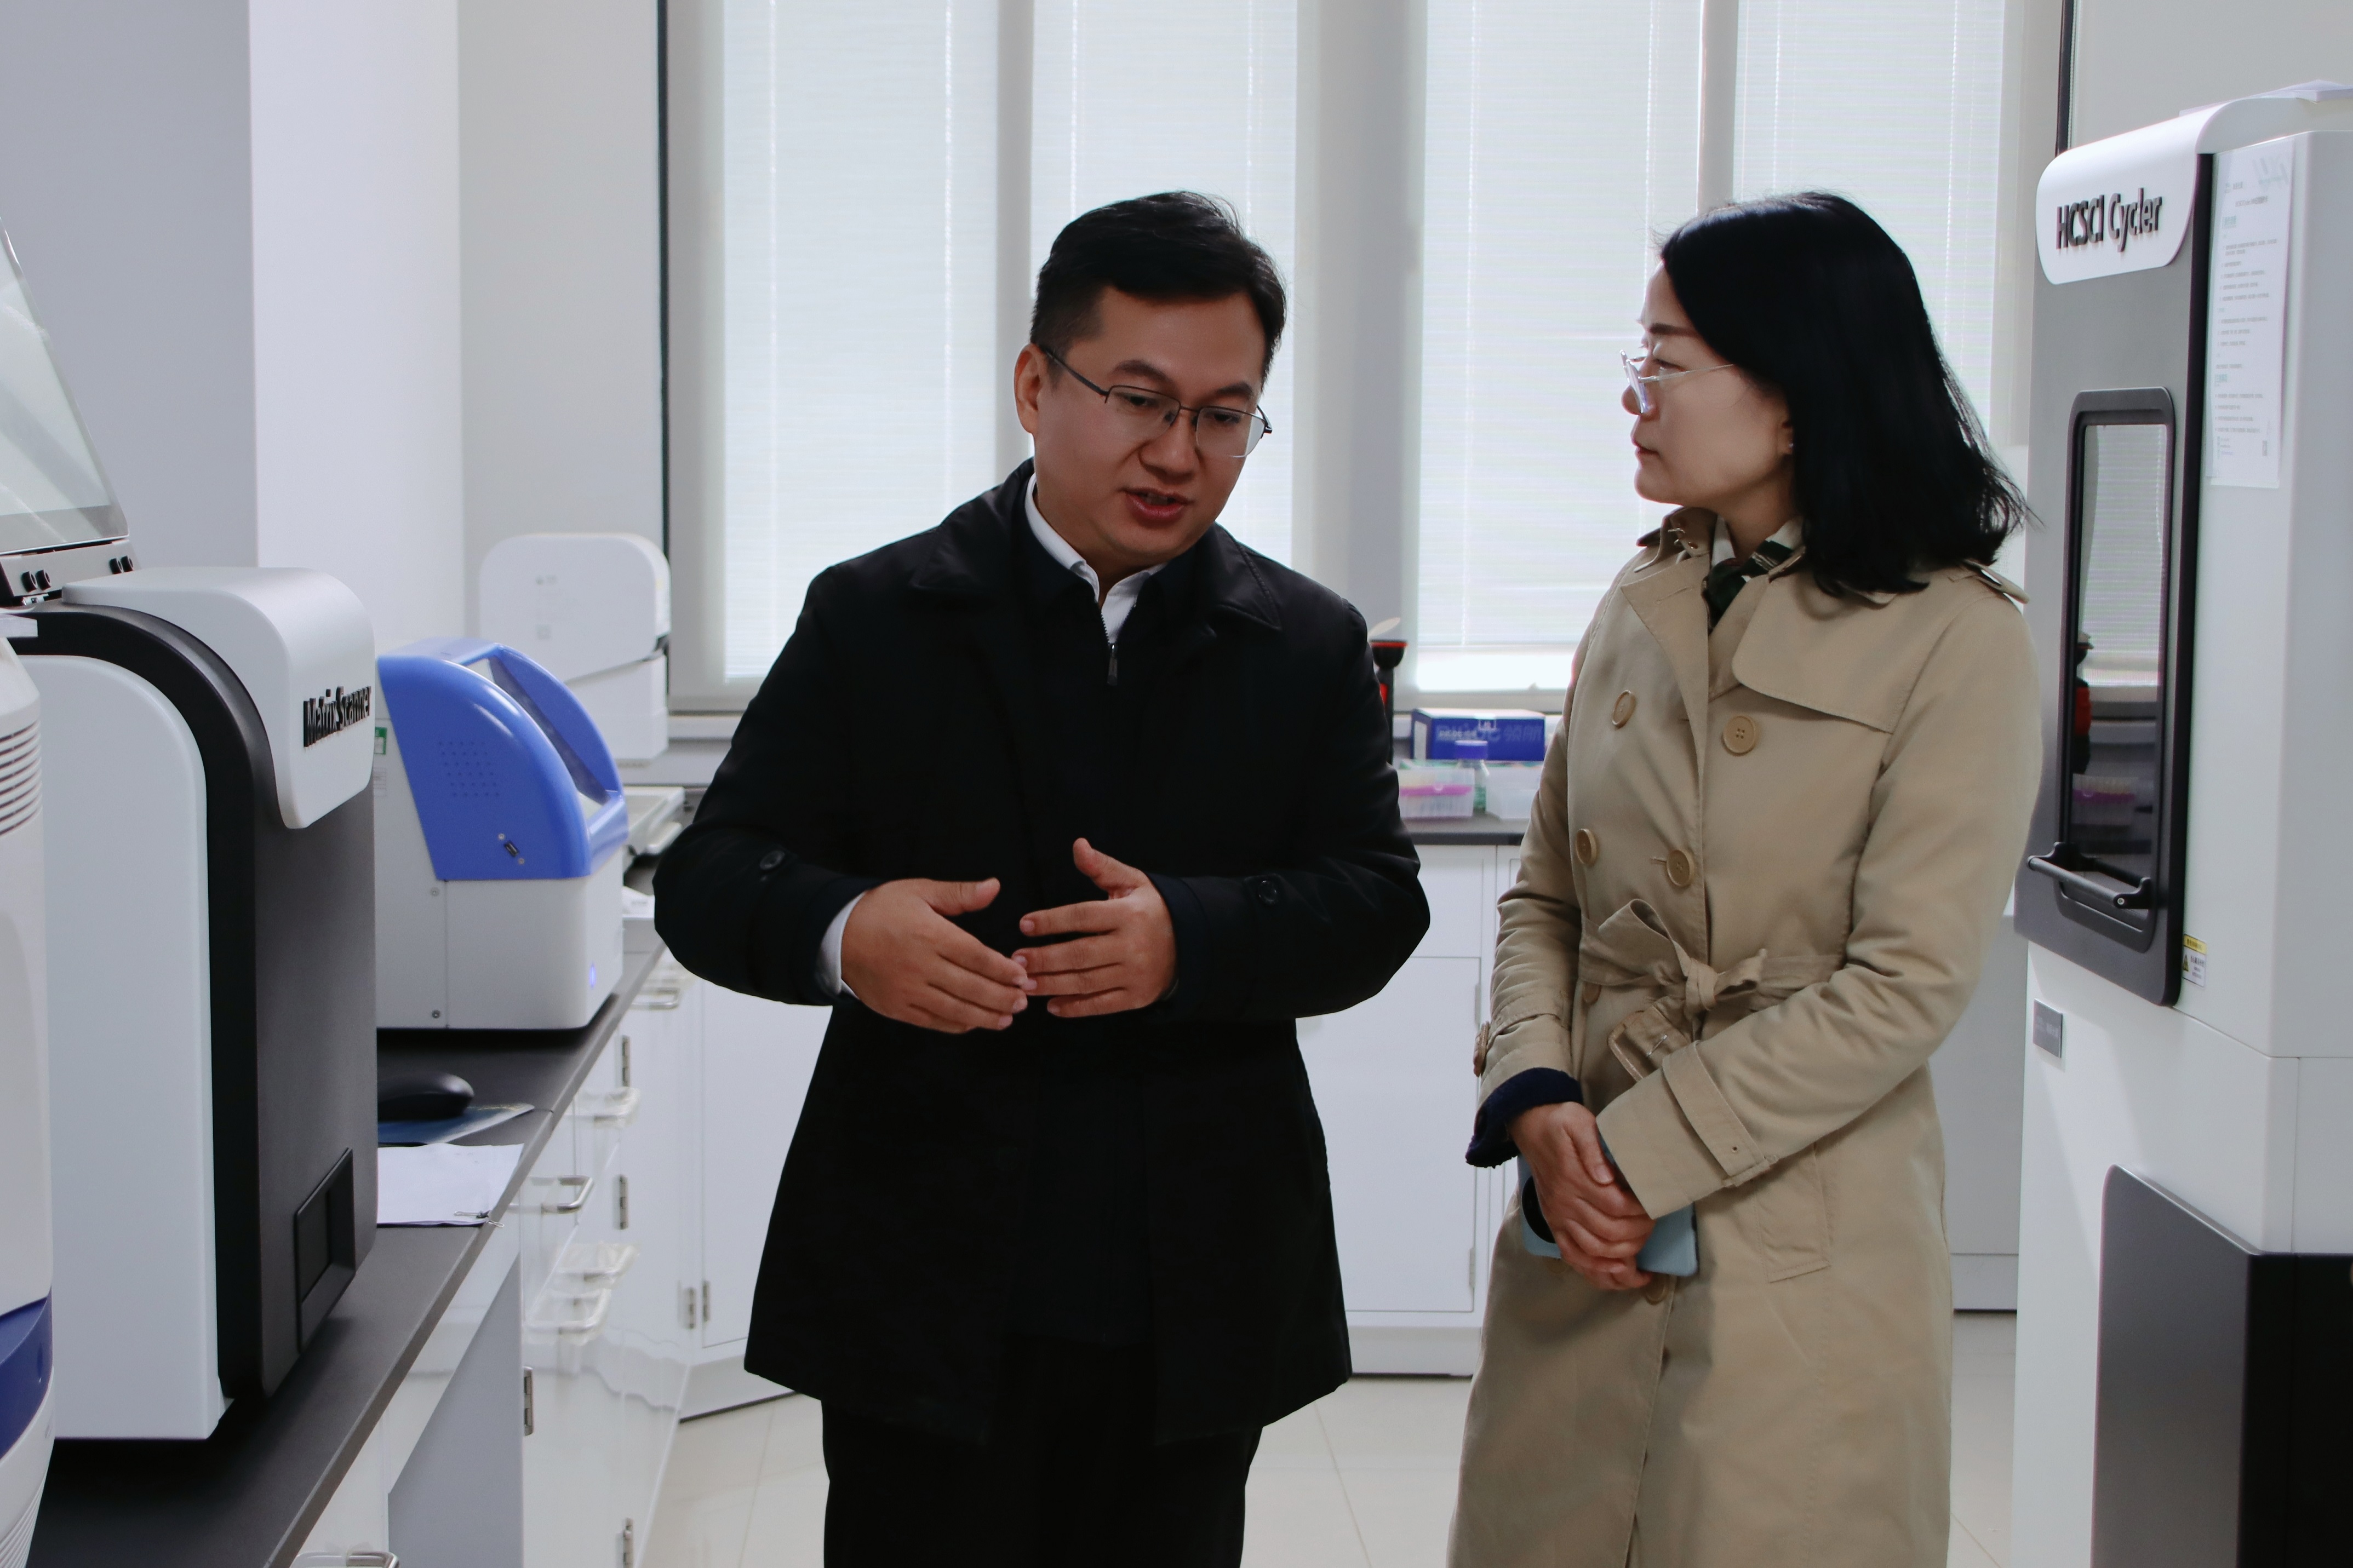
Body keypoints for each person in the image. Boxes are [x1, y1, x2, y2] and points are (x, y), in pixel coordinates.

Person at [655, 191, 1429, 1568]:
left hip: (1192, 1268)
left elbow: (1377, 899)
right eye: (1139, 399)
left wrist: (1192, 936)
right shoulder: (877, 615)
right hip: (924, 1262)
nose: (1177, 452)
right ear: (1034, 385)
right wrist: (847, 929)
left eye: (1225, 415)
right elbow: (708, 875)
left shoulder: (1305, 642)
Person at [1447, 193, 2040, 1568]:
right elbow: (1545, 899)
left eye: (1666, 360)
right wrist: (1537, 1099)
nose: (1634, 395)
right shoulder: (1642, 596)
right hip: (1585, 1220)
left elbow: (1908, 983)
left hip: (1798, 1238)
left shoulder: (1958, 639)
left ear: (1793, 392)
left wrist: (1641, 1153)